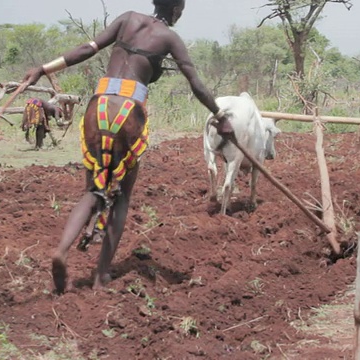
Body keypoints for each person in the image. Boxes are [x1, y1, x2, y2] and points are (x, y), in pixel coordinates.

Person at [23, 0, 233, 293]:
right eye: (181, 11)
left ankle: (61, 251)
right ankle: (100, 276)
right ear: (175, 11)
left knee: (92, 188)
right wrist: (220, 116)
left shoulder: (127, 19)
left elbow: (86, 50)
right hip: (129, 108)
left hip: (101, 103)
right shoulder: (170, 38)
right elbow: (195, 82)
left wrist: (43, 69)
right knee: (121, 197)